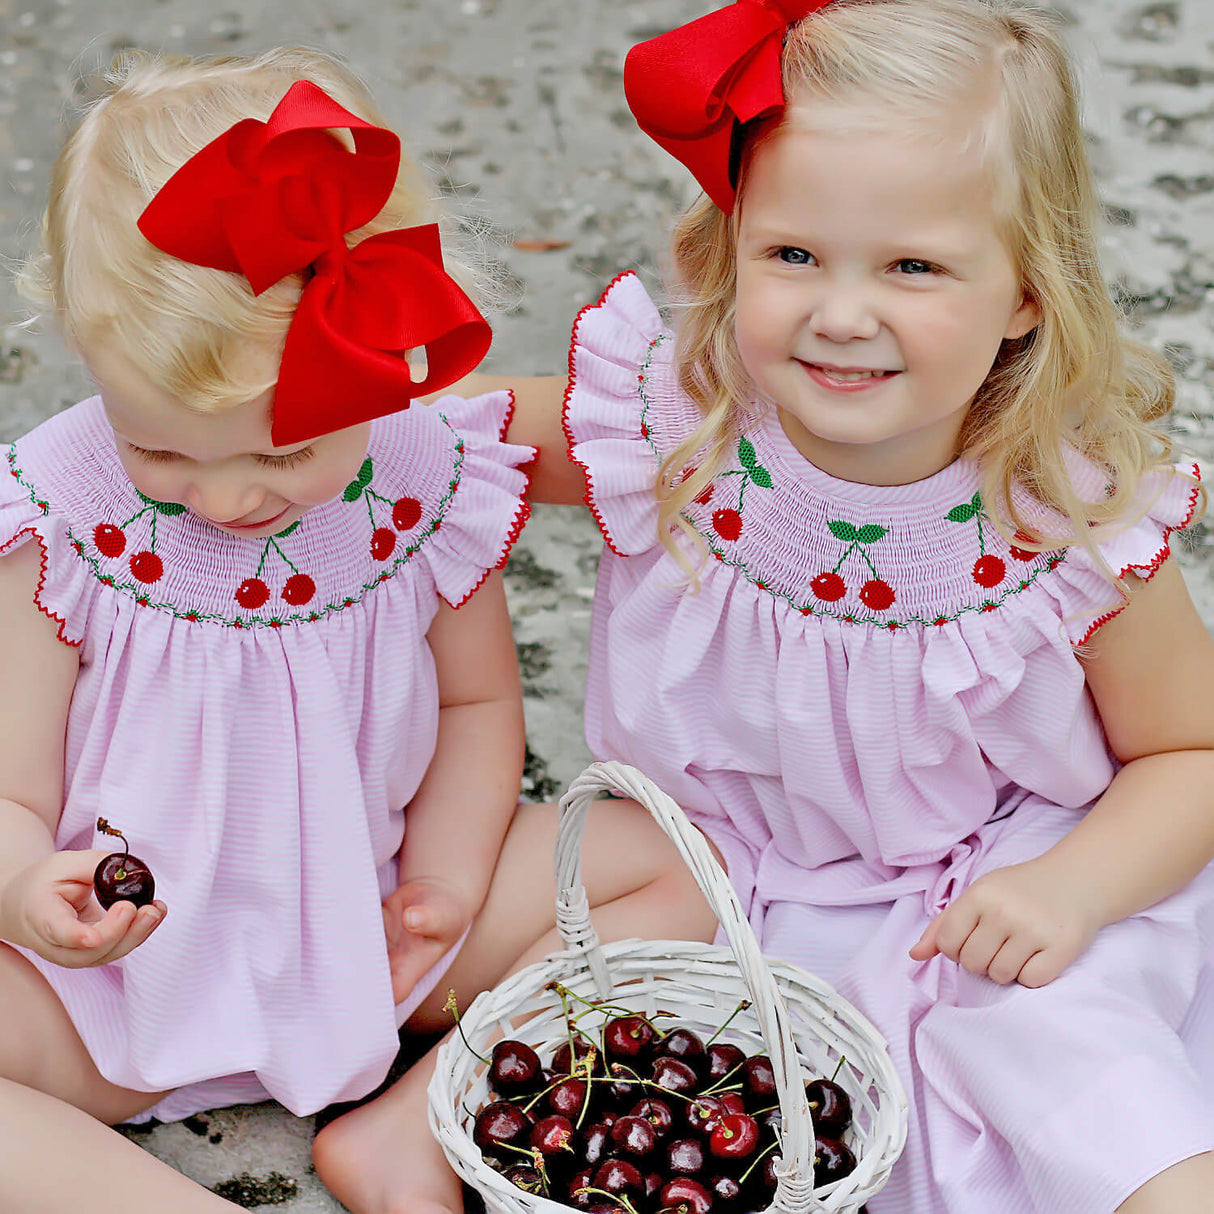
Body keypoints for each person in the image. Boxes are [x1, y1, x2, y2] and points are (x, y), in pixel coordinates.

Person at [443, 0, 1214, 1210]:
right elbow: (449, 445)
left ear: (1026, 290)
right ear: (728, 245)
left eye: (911, 266)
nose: (840, 312)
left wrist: (1072, 888)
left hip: (985, 878)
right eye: (792, 255)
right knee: (436, 917)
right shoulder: (674, 426)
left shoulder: (1058, 517)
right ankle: (397, 1123)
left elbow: (1190, 749)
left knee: (1049, 1044)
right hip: (704, 857)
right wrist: (258, 426)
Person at [0, 47, 716, 1213]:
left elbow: (480, 705)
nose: (230, 498)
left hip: (366, 933)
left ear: (383, 359)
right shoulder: (56, 517)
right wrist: (29, 886)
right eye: (165, 451)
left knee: (683, 861)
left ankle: (416, 1124)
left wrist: (438, 875)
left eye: (285, 449)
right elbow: (9, 782)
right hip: (114, 982)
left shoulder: (424, 473)